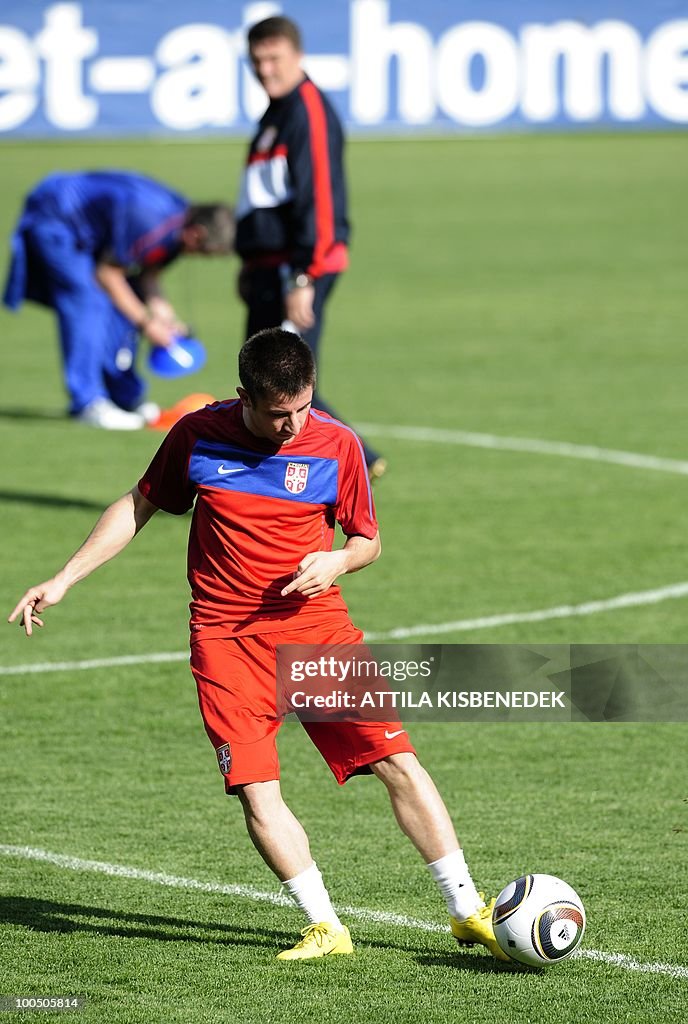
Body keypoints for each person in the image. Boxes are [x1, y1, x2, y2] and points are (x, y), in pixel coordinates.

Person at [8, 328, 507, 963]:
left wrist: (336, 562)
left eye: (303, 407)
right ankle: (325, 926)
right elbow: (138, 506)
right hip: (224, 639)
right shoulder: (196, 435)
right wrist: (63, 579)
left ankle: (468, 910)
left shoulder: (337, 443)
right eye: (278, 414)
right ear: (245, 396)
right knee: (256, 786)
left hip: (316, 628)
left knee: (396, 761)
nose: (293, 425)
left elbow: (367, 540)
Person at [235, 16, 386, 480]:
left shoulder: (307, 111)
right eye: (257, 60)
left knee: (285, 381)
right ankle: (339, 460)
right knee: (260, 378)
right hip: (270, 269)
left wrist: (303, 277)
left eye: (274, 58)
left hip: (297, 270)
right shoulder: (275, 114)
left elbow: (319, 202)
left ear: (298, 56)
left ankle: (351, 461)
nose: (265, 69)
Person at [3, 171, 234, 430]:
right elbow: (108, 274)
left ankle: (124, 398)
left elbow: (148, 273)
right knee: (89, 300)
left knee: (125, 301)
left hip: (86, 229)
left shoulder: (178, 224)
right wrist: (148, 323)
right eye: (203, 252)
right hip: (56, 214)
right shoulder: (152, 221)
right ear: (196, 234)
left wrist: (164, 318)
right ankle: (88, 403)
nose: (198, 256)